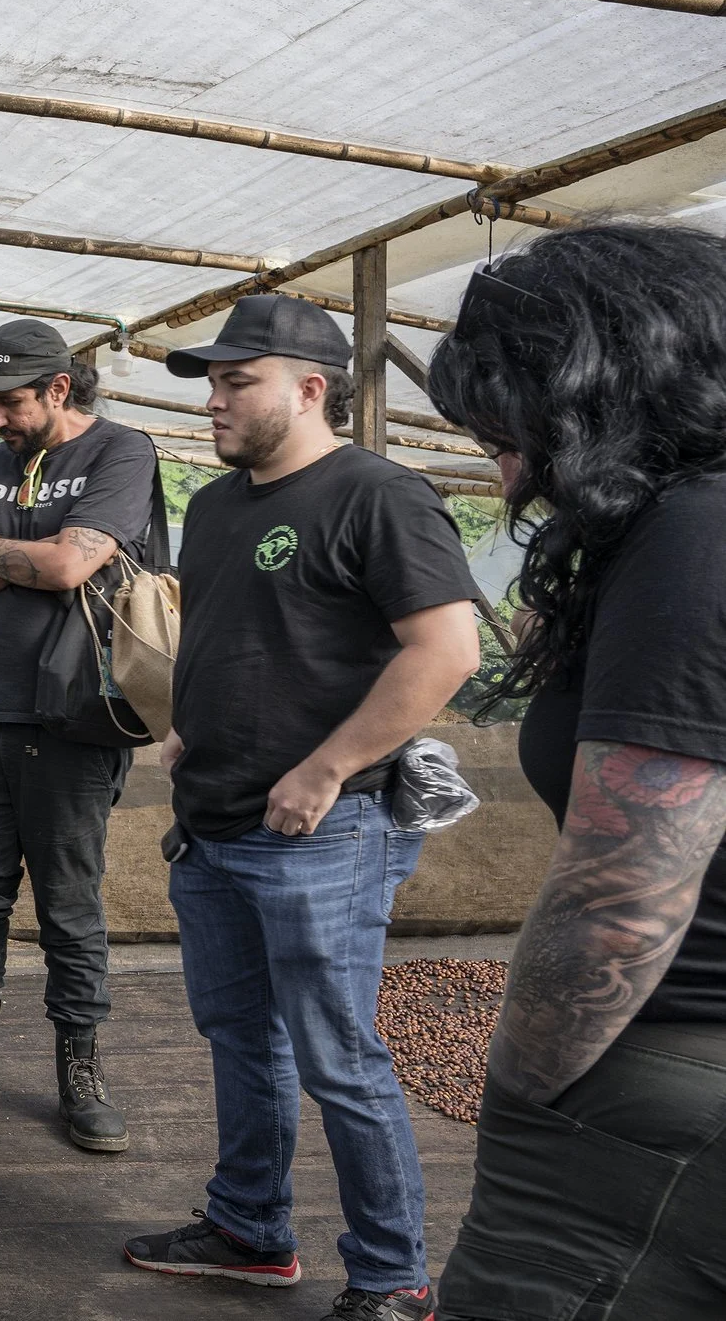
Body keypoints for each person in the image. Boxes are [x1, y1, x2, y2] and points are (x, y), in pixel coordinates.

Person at [122, 295, 481, 1321]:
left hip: (324, 830)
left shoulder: (379, 495)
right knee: (241, 1035)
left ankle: (392, 1276)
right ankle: (249, 1227)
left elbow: (446, 650)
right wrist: (187, 724)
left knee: (339, 1058)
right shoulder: (216, 507)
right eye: (212, 383)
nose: (215, 401)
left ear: (310, 388)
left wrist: (327, 768)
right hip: (214, 823)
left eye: (238, 382)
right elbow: (240, 636)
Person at [422, 222, 726, 1320]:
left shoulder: (695, 533)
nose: (504, 467)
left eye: (511, 428)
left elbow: (619, 900)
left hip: (664, 1074)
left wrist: (520, 1087)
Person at [0, 318, 161, 1153]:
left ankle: (80, 1069)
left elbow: (69, 567)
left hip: (75, 718)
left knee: (69, 904)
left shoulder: (122, 452)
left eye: (10, 402)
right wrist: (28, 553)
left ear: (58, 387)